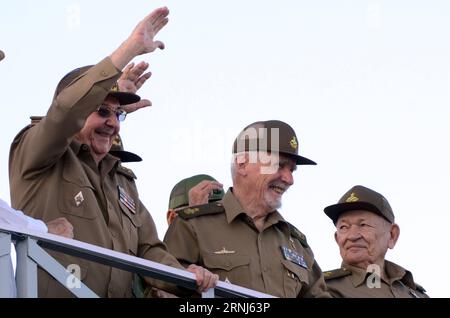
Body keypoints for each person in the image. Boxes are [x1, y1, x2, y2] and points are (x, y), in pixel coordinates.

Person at [8, 7, 217, 297]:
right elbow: (66, 112)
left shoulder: (122, 181)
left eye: (119, 114)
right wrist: (129, 50)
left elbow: (148, 249)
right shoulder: (38, 151)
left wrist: (186, 277)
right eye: (102, 111)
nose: (112, 123)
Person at [164, 120, 330, 297]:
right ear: (242, 164)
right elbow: (158, 285)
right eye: (279, 165)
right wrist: (189, 275)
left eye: (292, 170)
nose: (289, 179)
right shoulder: (193, 225)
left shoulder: (296, 243)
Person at [322, 185, 428, 298]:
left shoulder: (416, 293)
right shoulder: (323, 289)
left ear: (392, 235)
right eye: (343, 227)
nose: (352, 236)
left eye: (363, 225)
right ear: (337, 239)